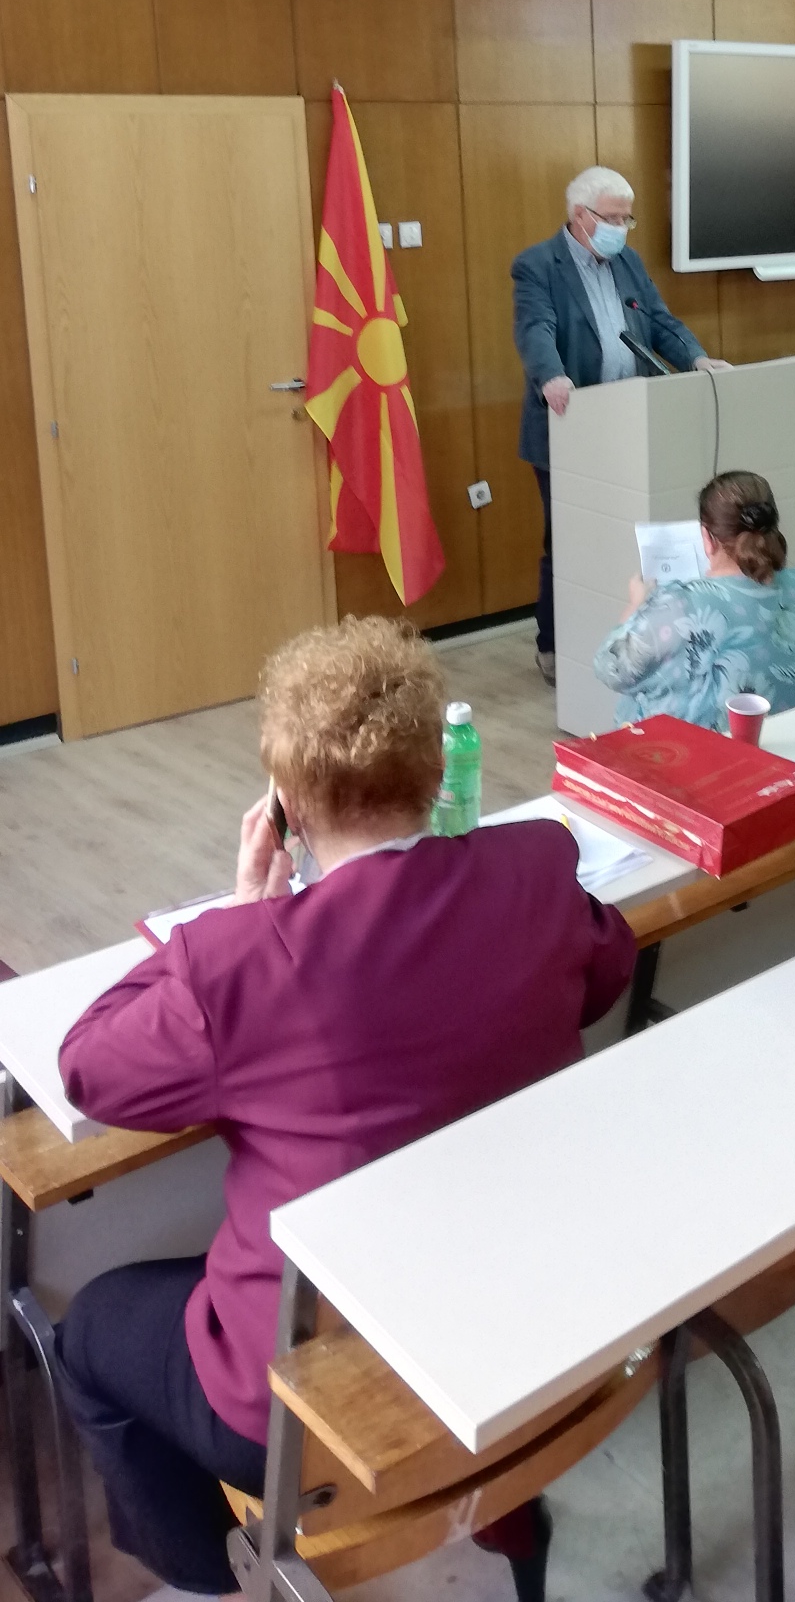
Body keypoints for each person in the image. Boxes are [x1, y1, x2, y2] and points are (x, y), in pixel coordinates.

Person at [53, 617, 636, 1595]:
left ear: (283, 806)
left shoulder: (242, 961)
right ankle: (502, 1512)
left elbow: (86, 1068)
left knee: (92, 1327)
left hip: (301, 1401)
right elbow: (606, 972)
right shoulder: (537, 867)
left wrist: (241, 908)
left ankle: (207, 1576)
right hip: (510, 1310)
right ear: (435, 771)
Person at [512, 166, 729, 683]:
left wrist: (696, 358)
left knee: (634, 532)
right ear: (579, 215)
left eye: (627, 218)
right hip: (571, 422)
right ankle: (553, 644)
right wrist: (552, 375)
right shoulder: (537, 265)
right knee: (567, 539)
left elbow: (658, 321)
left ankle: (635, 635)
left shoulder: (628, 261)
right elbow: (536, 327)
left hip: (633, 422)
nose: (621, 228)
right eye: (612, 218)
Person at [594, 470, 795, 730]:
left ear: (707, 538)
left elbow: (610, 668)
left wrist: (636, 604)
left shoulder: (679, 605)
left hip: (704, 752)